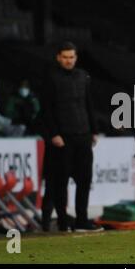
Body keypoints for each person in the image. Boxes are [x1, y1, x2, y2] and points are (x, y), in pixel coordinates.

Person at [42, 41, 102, 232]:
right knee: (61, 182)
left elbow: (88, 104)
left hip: (83, 135)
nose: (69, 61)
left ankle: (82, 220)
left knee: (85, 180)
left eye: (72, 57)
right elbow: (47, 109)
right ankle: (62, 221)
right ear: (59, 57)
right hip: (63, 139)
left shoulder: (83, 77)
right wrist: (54, 134)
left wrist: (94, 130)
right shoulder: (50, 78)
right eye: (65, 57)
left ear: (76, 58)